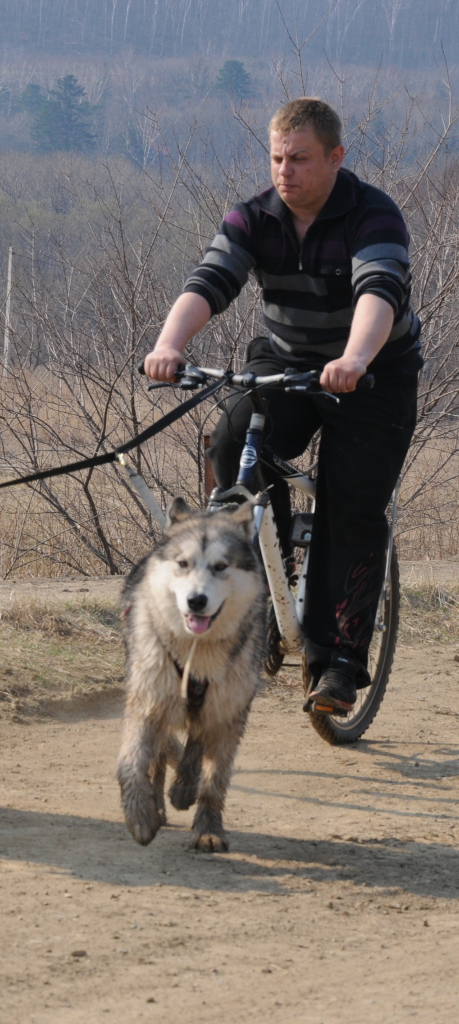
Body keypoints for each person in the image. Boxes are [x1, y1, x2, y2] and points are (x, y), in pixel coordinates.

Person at [143, 97, 422, 714]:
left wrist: (353, 359)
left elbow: (378, 291)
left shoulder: (372, 214)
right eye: (275, 158)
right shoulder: (254, 216)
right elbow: (209, 281)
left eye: (298, 158)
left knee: (351, 506)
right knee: (231, 445)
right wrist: (168, 345)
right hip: (288, 358)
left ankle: (337, 662)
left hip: (373, 372)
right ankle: (265, 599)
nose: (284, 171)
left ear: (335, 157)